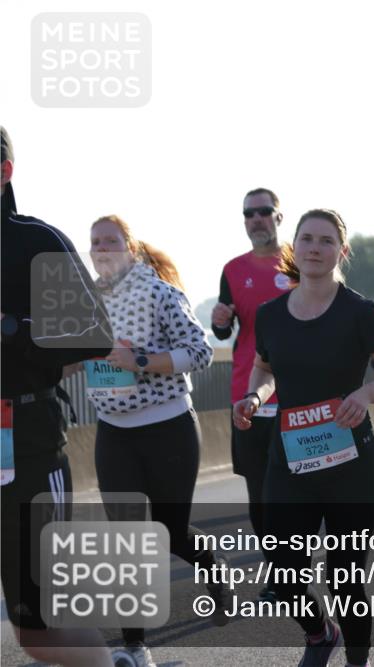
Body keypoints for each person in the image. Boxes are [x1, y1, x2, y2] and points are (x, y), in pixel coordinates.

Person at [233, 208, 374, 667]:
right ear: (294, 247)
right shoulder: (272, 314)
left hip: (350, 467)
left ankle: (358, 660)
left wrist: (367, 392)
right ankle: (319, 633)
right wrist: (254, 397)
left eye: (326, 241)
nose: (315, 248)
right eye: (307, 239)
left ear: (342, 251)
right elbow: (265, 367)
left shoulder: (358, 311)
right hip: (290, 461)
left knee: (345, 581)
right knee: (284, 570)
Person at [70, 215, 230, 665]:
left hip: (168, 427)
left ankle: (210, 567)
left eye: (111, 240)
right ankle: (135, 648)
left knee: (169, 533)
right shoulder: (83, 303)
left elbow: (198, 352)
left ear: (131, 248)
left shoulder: (159, 292)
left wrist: (138, 359)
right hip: (113, 432)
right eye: (95, 242)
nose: (102, 248)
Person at [1, 126, 117, 667]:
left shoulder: (36, 244)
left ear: (4, 173)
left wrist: (10, 329)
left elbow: (92, 336)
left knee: (41, 627)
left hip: (24, 445)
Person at [211, 187, 290, 603]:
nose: (256, 219)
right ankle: (279, 575)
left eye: (264, 212)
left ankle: (295, 565)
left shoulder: (300, 261)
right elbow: (226, 328)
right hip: (248, 396)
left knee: (295, 490)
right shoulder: (233, 268)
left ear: (279, 217)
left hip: (299, 396)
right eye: (249, 214)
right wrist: (220, 320)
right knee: (259, 493)